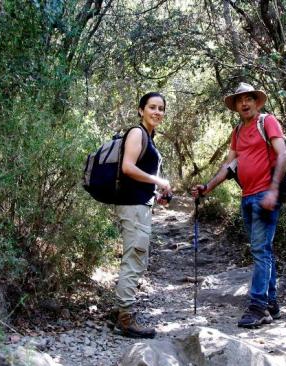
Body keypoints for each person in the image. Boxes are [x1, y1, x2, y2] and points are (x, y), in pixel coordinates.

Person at [192, 82, 286, 328]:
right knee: (262, 250)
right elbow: (228, 165)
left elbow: (283, 155)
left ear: (256, 102)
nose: (245, 103)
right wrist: (208, 186)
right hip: (247, 197)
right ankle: (272, 304)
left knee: (260, 251)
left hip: (265, 195)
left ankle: (258, 307)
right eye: (240, 100)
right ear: (235, 106)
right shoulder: (237, 131)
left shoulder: (267, 122)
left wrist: (274, 191)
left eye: (249, 99)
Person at [113, 92, 172, 338]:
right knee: (135, 260)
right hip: (133, 207)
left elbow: (137, 176)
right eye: (152, 107)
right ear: (141, 110)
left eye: (161, 108)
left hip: (140, 204)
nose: (157, 112)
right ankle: (125, 318)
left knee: (136, 258)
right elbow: (127, 167)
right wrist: (158, 180)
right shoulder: (137, 133)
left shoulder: (150, 137)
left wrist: (156, 193)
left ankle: (120, 311)